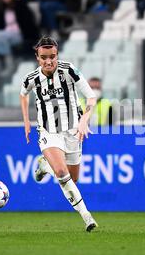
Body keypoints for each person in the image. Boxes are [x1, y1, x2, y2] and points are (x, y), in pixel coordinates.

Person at [20, 36, 98, 232]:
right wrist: (26, 121)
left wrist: (83, 120)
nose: (49, 61)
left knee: (72, 179)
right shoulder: (32, 78)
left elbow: (91, 96)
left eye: (52, 56)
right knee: (62, 174)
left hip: (73, 131)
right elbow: (23, 94)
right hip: (48, 131)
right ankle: (87, 217)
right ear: (37, 57)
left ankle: (44, 166)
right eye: (44, 57)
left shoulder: (69, 70)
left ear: (57, 55)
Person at [0, 0, 40, 78]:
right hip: (5, 35)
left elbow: (29, 24)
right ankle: (3, 63)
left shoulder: (20, 6)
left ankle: (7, 64)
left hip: (19, 34)